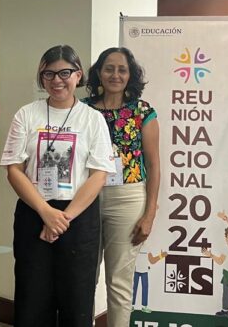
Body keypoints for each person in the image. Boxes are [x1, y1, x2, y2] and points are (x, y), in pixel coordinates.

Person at [1, 45, 115, 327]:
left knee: (76, 299)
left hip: (78, 217)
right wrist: (46, 212)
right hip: (34, 212)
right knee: (32, 297)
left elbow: (99, 174)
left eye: (65, 73)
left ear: (78, 75)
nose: (56, 80)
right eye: (48, 74)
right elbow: (14, 169)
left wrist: (63, 219)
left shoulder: (92, 118)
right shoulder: (27, 114)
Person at [83, 47, 161, 327]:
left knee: (119, 281)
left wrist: (149, 214)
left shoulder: (143, 112)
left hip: (127, 199)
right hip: (85, 198)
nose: (115, 75)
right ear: (99, 73)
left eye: (122, 69)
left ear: (130, 75)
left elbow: (154, 165)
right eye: (109, 68)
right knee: (83, 278)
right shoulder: (82, 109)